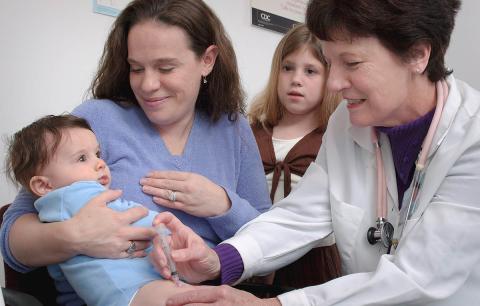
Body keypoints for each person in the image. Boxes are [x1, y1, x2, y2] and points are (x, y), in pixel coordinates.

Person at [150, 0, 480, 305]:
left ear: (418, 55)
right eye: (328, 61)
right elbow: (301, 214)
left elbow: (420, 277)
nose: (333, 83)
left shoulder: (472, 138)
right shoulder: (348, 123)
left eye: (351, 63)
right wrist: (222, 259)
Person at [0, 0, 270, 304]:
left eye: (165, 68)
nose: (148, 84)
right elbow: (13, 237)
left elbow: (270, 241)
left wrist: (222, 203)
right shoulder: (96, 120)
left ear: (207, 60)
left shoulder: (232, 129)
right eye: (136, 68)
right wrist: (76, 235)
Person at [5, 114, 196, 306]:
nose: (100, 163)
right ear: (44, 186)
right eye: (82, 158)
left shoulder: (54, 209)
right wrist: (169, 228)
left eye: (97, 154)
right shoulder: (72, 196)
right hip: (124, 291)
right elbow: (135, 220)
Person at [247, 24, 341, 288]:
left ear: (330, 78)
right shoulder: (250, 131)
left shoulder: (335, 139)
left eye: (310, 71)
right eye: (288, 68)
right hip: (251, 255)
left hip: (311, 266)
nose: (296, 79)